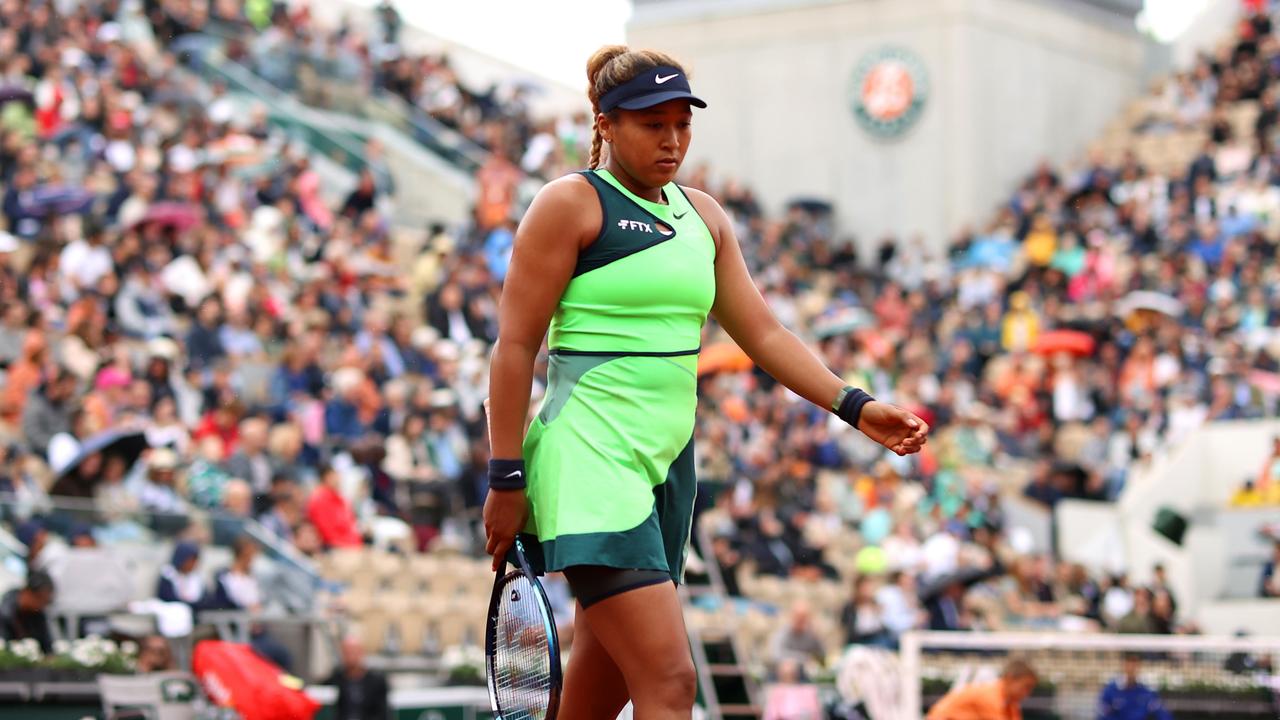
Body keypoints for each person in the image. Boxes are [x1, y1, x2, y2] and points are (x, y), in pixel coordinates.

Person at [482, 45, 929, 719]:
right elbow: (514, 348)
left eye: (682, 124)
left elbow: (766, 334)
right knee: (670, 683)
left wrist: (856, 406)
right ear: (604, 123)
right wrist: (506, 477)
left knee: (603, 695)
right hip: (590, 462)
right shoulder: (569, 203)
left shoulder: (706, 217)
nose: (672, 140)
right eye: (651, 123)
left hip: (666, 470)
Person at [926, 659, 1039, 720]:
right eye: (1026, 687)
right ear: (1010, 679)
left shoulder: (1009, 703)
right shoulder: (990, 696)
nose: (1027, 693)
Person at [326, 634, 390, 720]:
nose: (350, 656)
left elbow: (383, 713)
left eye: (354, 652)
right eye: (347, 652)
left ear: (361, 652)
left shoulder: (377, 681)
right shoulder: (336, 679)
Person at [1097, 653, 1172, 720]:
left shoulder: (1147, 692)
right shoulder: (1110, 691)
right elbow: (1103, 715)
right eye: (1129, 664)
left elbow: (1162, 714)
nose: (1132, 669)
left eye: (1135, 665)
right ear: (1124, 666)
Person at [0, 570, 56, 653]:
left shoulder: (38, 614)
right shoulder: (5, 613)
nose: (42, 604)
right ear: (27, 592)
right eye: (40, 598)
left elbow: (47, 647)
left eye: (47, 601)